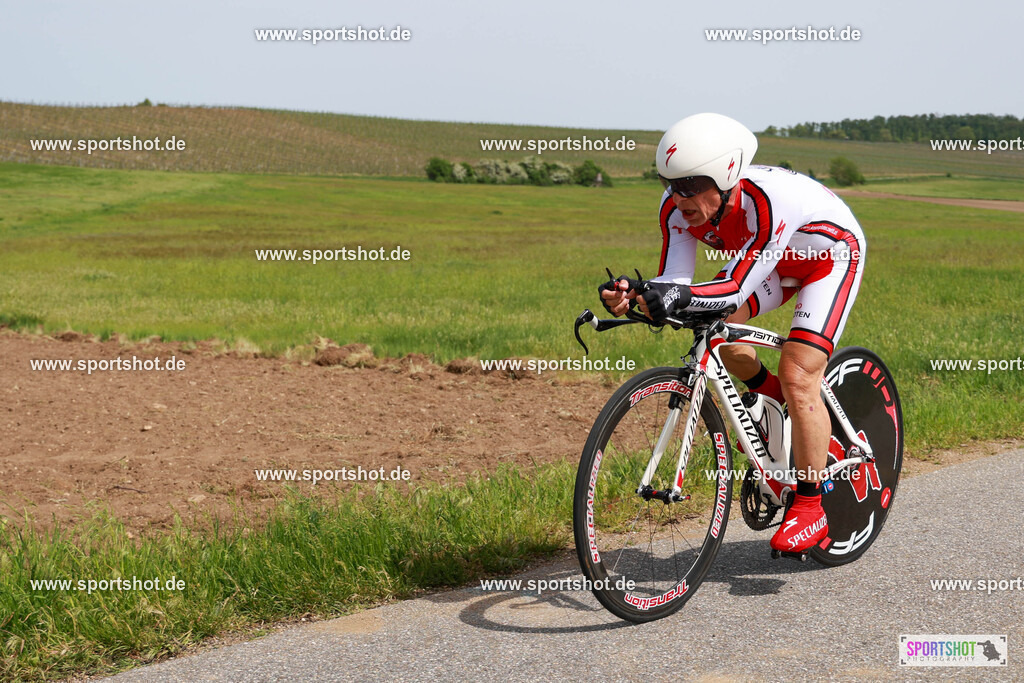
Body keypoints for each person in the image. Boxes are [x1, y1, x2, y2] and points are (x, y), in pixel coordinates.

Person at [599, 112, 866, 554]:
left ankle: (811, 504)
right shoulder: (676, 210)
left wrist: (671, 298)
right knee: (719, 337)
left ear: (725, 177)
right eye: (669, 183)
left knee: (800, 372)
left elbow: (733, 288)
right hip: (774, 265)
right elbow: (679, 282)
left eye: (689, 185)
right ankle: (781, 401)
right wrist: (640, 296)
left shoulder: (766, 201)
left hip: (829, 258)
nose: (677, 196)